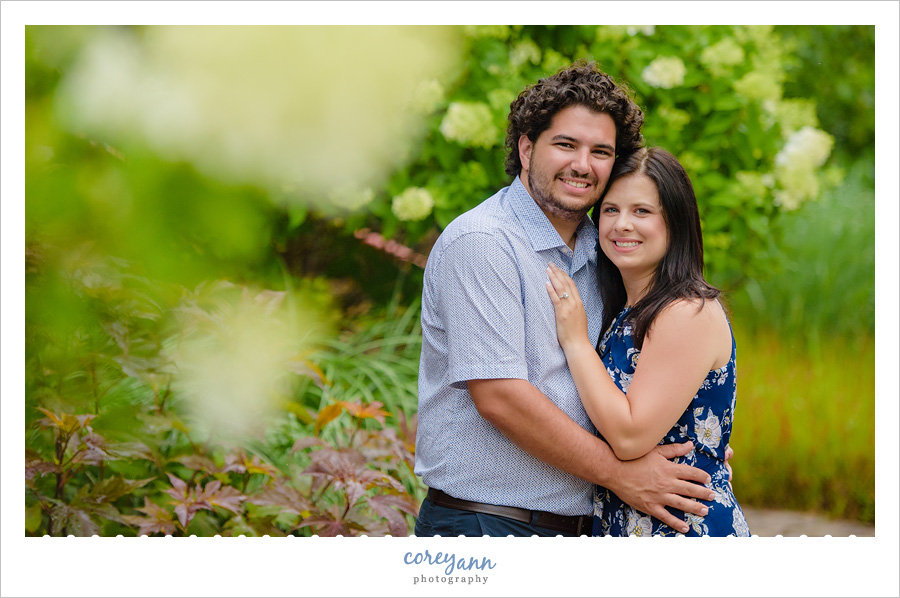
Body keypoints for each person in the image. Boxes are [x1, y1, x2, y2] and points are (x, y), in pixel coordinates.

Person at [414, 61, 718, 538]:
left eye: (601, 151)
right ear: (527, 147)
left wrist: (701, 448)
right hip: (488, 523)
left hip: (588, 527)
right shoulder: (483, 243)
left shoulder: (608, 251)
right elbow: (501, 399)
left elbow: (642, 372)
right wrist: (622, 475)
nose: (583, 164)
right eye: (565, 144)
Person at [545, 146, 750, 536]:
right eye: (610, 210)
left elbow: (628, 435)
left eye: (641, 211)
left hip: (683, 530)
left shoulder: (686, 312)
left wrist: (575, 341)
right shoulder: (629, 310)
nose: (622, 224)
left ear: (675, 223)